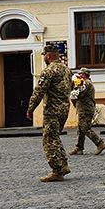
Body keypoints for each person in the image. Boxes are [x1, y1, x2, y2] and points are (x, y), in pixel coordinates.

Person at [27, 41, 72, 182]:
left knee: (49, 140)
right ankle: (63, 165)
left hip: (52, 110)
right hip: (64, 109)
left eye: (44, 55)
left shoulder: (48, 71)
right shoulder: (66, 70)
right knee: (55, 138)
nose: (44, 58)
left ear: (48, 56)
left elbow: (39, 91)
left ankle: (57, 171)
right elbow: (70, 87)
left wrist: (31, 109)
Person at [68, 68, 105, 156]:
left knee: (85, 128)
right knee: (80, 129)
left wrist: (73, 88)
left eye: (80, 74)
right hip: (83, 108)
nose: (79, 76)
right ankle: (79, 148)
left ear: (84, 75)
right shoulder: (83, 83)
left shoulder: (86, 83)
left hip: (86, 109)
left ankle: (99, 143)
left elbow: (78, 93)